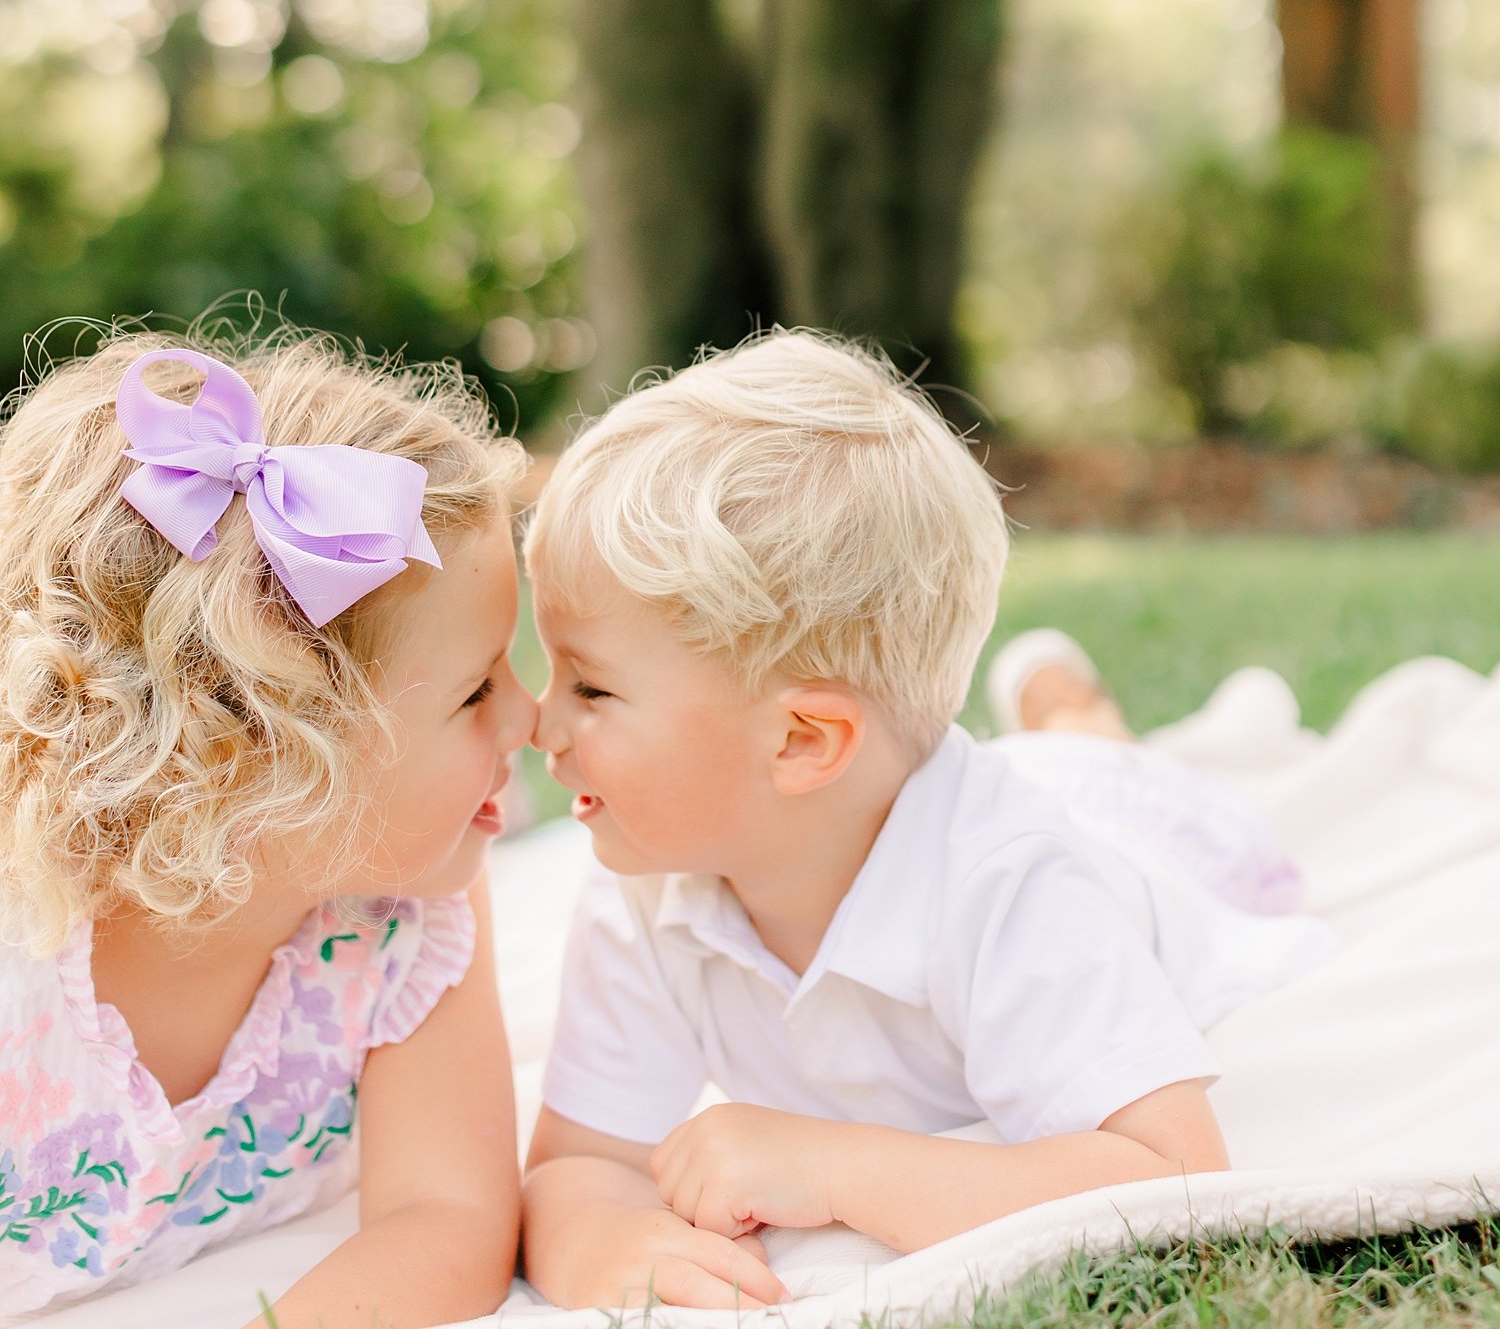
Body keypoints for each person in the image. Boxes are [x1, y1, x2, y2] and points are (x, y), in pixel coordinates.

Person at [521, 331, 1330, 1309]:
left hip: (1138, 830)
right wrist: (604, 1241)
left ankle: (1068, 702)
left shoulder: (1017, 884)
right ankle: (1056, 705)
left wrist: (832, 1165)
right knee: (1067, 758)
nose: (539, 719)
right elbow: (581, 1163)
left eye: (592, 688)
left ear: (801, 742)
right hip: (986, 784)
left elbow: (1177, 1178)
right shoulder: (648, 883)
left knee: (1115, 767)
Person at [0, 332, 537, 1326]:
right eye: (475, 692)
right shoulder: (21, 953)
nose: (529, 718)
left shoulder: (410, 920)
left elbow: (449, 1215)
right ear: (257, 754)